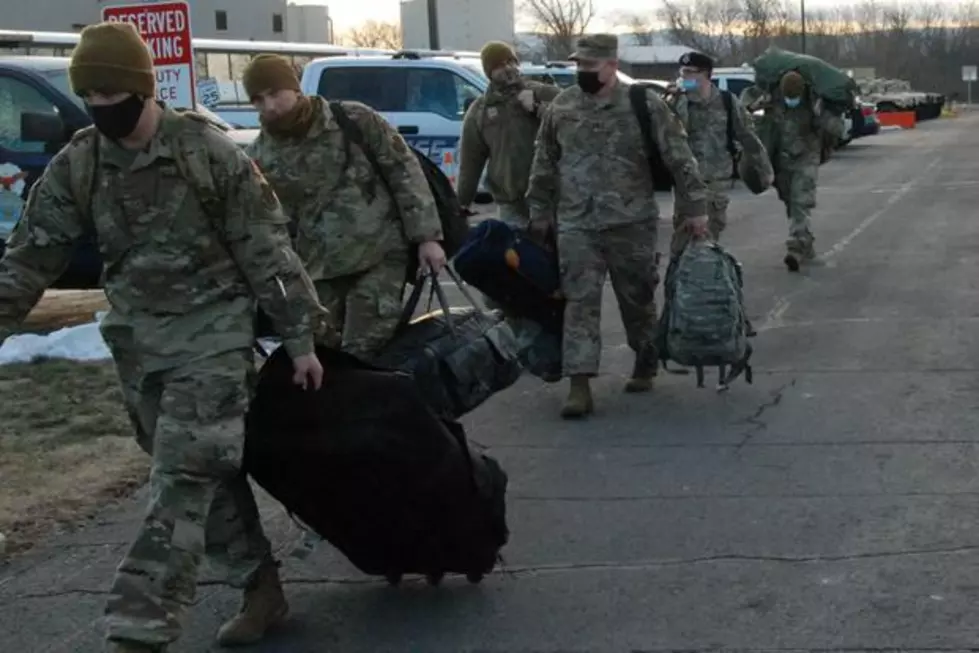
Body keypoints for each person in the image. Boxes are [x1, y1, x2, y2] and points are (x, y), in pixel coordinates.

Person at [0, 23, 330, 652]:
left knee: (182, 477)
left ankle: (138, 628)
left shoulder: (206, 153)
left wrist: (299, 338)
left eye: (109, 92)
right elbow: (29, 257)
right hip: (140, 346)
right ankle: (260, 585)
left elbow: (266, 249)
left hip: (214, 340)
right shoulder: (82, 162)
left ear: (140, 89)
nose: (100, 106)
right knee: (205, 476)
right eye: (88, 95)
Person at [526, 34, 709, 419]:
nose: (582, 73)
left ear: (611, 65)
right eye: (578, 66)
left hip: (632, 221)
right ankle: (579, 382)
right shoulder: (562, 106)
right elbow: (544, 161)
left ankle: (645, 358)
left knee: (638, 298)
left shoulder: (645, 104)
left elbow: (680, 157)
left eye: (590, 67)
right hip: (577, 222)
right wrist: (539, 211)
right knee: (578, 300)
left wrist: (695, 208)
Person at [243, 54, 446, 358]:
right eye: (258, 100)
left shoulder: (352, 119)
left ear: (295, 88)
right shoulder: (261, 154)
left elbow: (403, 170)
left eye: (274, 94)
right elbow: (267, 224)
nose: (269, 106)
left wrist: (427, 238)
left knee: (363, 353)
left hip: (378, 255)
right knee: (327, 360)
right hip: (319, 272)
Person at [667, 51, 769, 255]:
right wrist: (674, 101)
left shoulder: (727, 102)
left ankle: (701, 281)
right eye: (682, 72)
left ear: (706, 75)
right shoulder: (678, 101)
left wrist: (764, 168)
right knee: (682, 238)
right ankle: (681, 281)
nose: (683, 77)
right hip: (686, 182)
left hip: (716, 180)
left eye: (689, 72)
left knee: (709, 237)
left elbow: (747, 135)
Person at [743, 70, 844, 271]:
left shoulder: (814, 103)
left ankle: (795, 247)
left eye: (794, 97)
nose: (791, 101)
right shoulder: (773, 99)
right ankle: (806, 241)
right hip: (782, 161)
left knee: (800, 201)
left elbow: (838, 129)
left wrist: (820, 114)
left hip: (807, 158)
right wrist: (757, 105)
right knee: (790, 201)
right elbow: (745, 107)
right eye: (788, 97)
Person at [457, 41, 561, 229]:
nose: (508, 69)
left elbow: (573, 122)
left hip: (552, 200)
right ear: (489, 73)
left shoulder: (542, 92)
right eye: (500, 65)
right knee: (519, 255)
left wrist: (538, 108)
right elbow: (470, 163)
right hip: (512, 205)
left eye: (511, 62)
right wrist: (462, 203)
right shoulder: (480, 111)